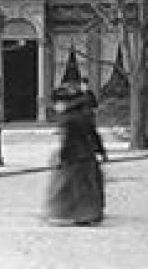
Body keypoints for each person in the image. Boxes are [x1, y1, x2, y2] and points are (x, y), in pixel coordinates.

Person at [45, 86, 109, 226]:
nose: (55, 107)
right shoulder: (84, 115)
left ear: (62, 103)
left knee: (70, 188)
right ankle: (91, 213)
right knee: (88, 187)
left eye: (56, 104)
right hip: (88, 155)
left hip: (73, 156)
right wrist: (101, 151)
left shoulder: (67, 119)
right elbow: (94, 135)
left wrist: (62, 157)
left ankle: (70, 214)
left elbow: (66, 140)